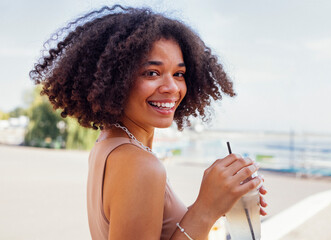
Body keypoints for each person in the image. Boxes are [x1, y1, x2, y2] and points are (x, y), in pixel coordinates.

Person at [30, 5, 267, 240]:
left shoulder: (110, 145)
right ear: (117, 80)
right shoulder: (140, 165)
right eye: (152, 73)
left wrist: (220, 200)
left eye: (179, 74)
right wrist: (205, 209)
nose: (172, 87)